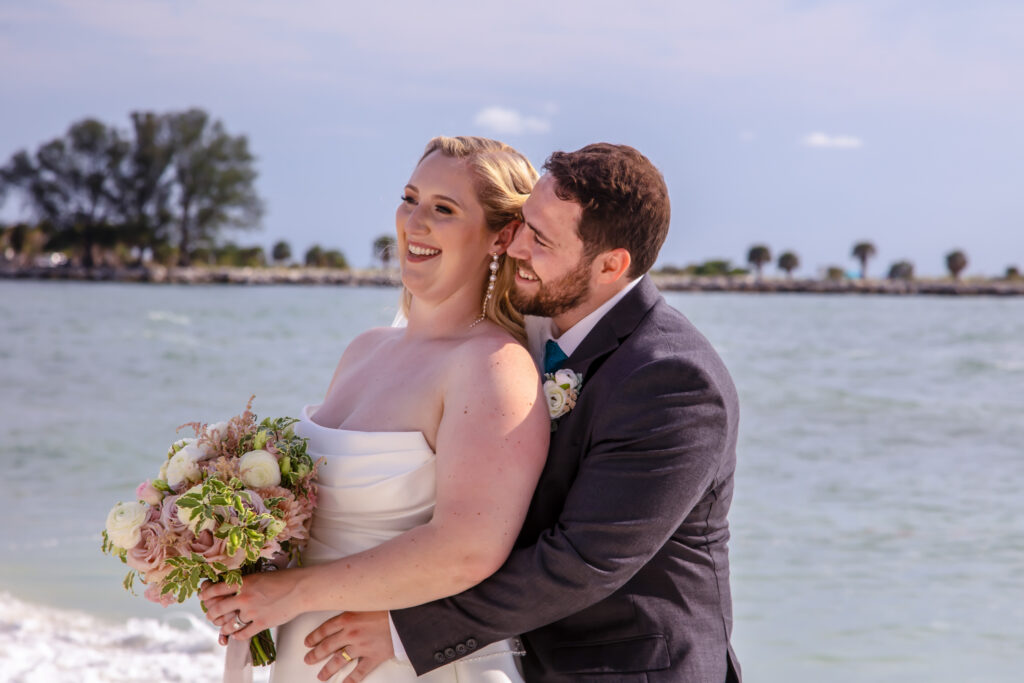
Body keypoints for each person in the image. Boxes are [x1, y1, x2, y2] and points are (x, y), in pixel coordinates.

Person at [303, 143, 742, 682]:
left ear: (611, 265)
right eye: (521, 224)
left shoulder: (672, 379)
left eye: (539, 238)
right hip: (517, 657)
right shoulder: (531, 333)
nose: (514, 246)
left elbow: (583, 561)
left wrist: (403, 629)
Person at [199, 136, 551, 682]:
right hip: (304, 651)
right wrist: (233, 553)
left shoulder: (493, 368)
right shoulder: (365, 349)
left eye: (444, 209)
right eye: (410, 199)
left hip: (407, 664)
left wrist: (288, 593)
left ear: (501, 236)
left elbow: (467, 549)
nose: (415, 222)